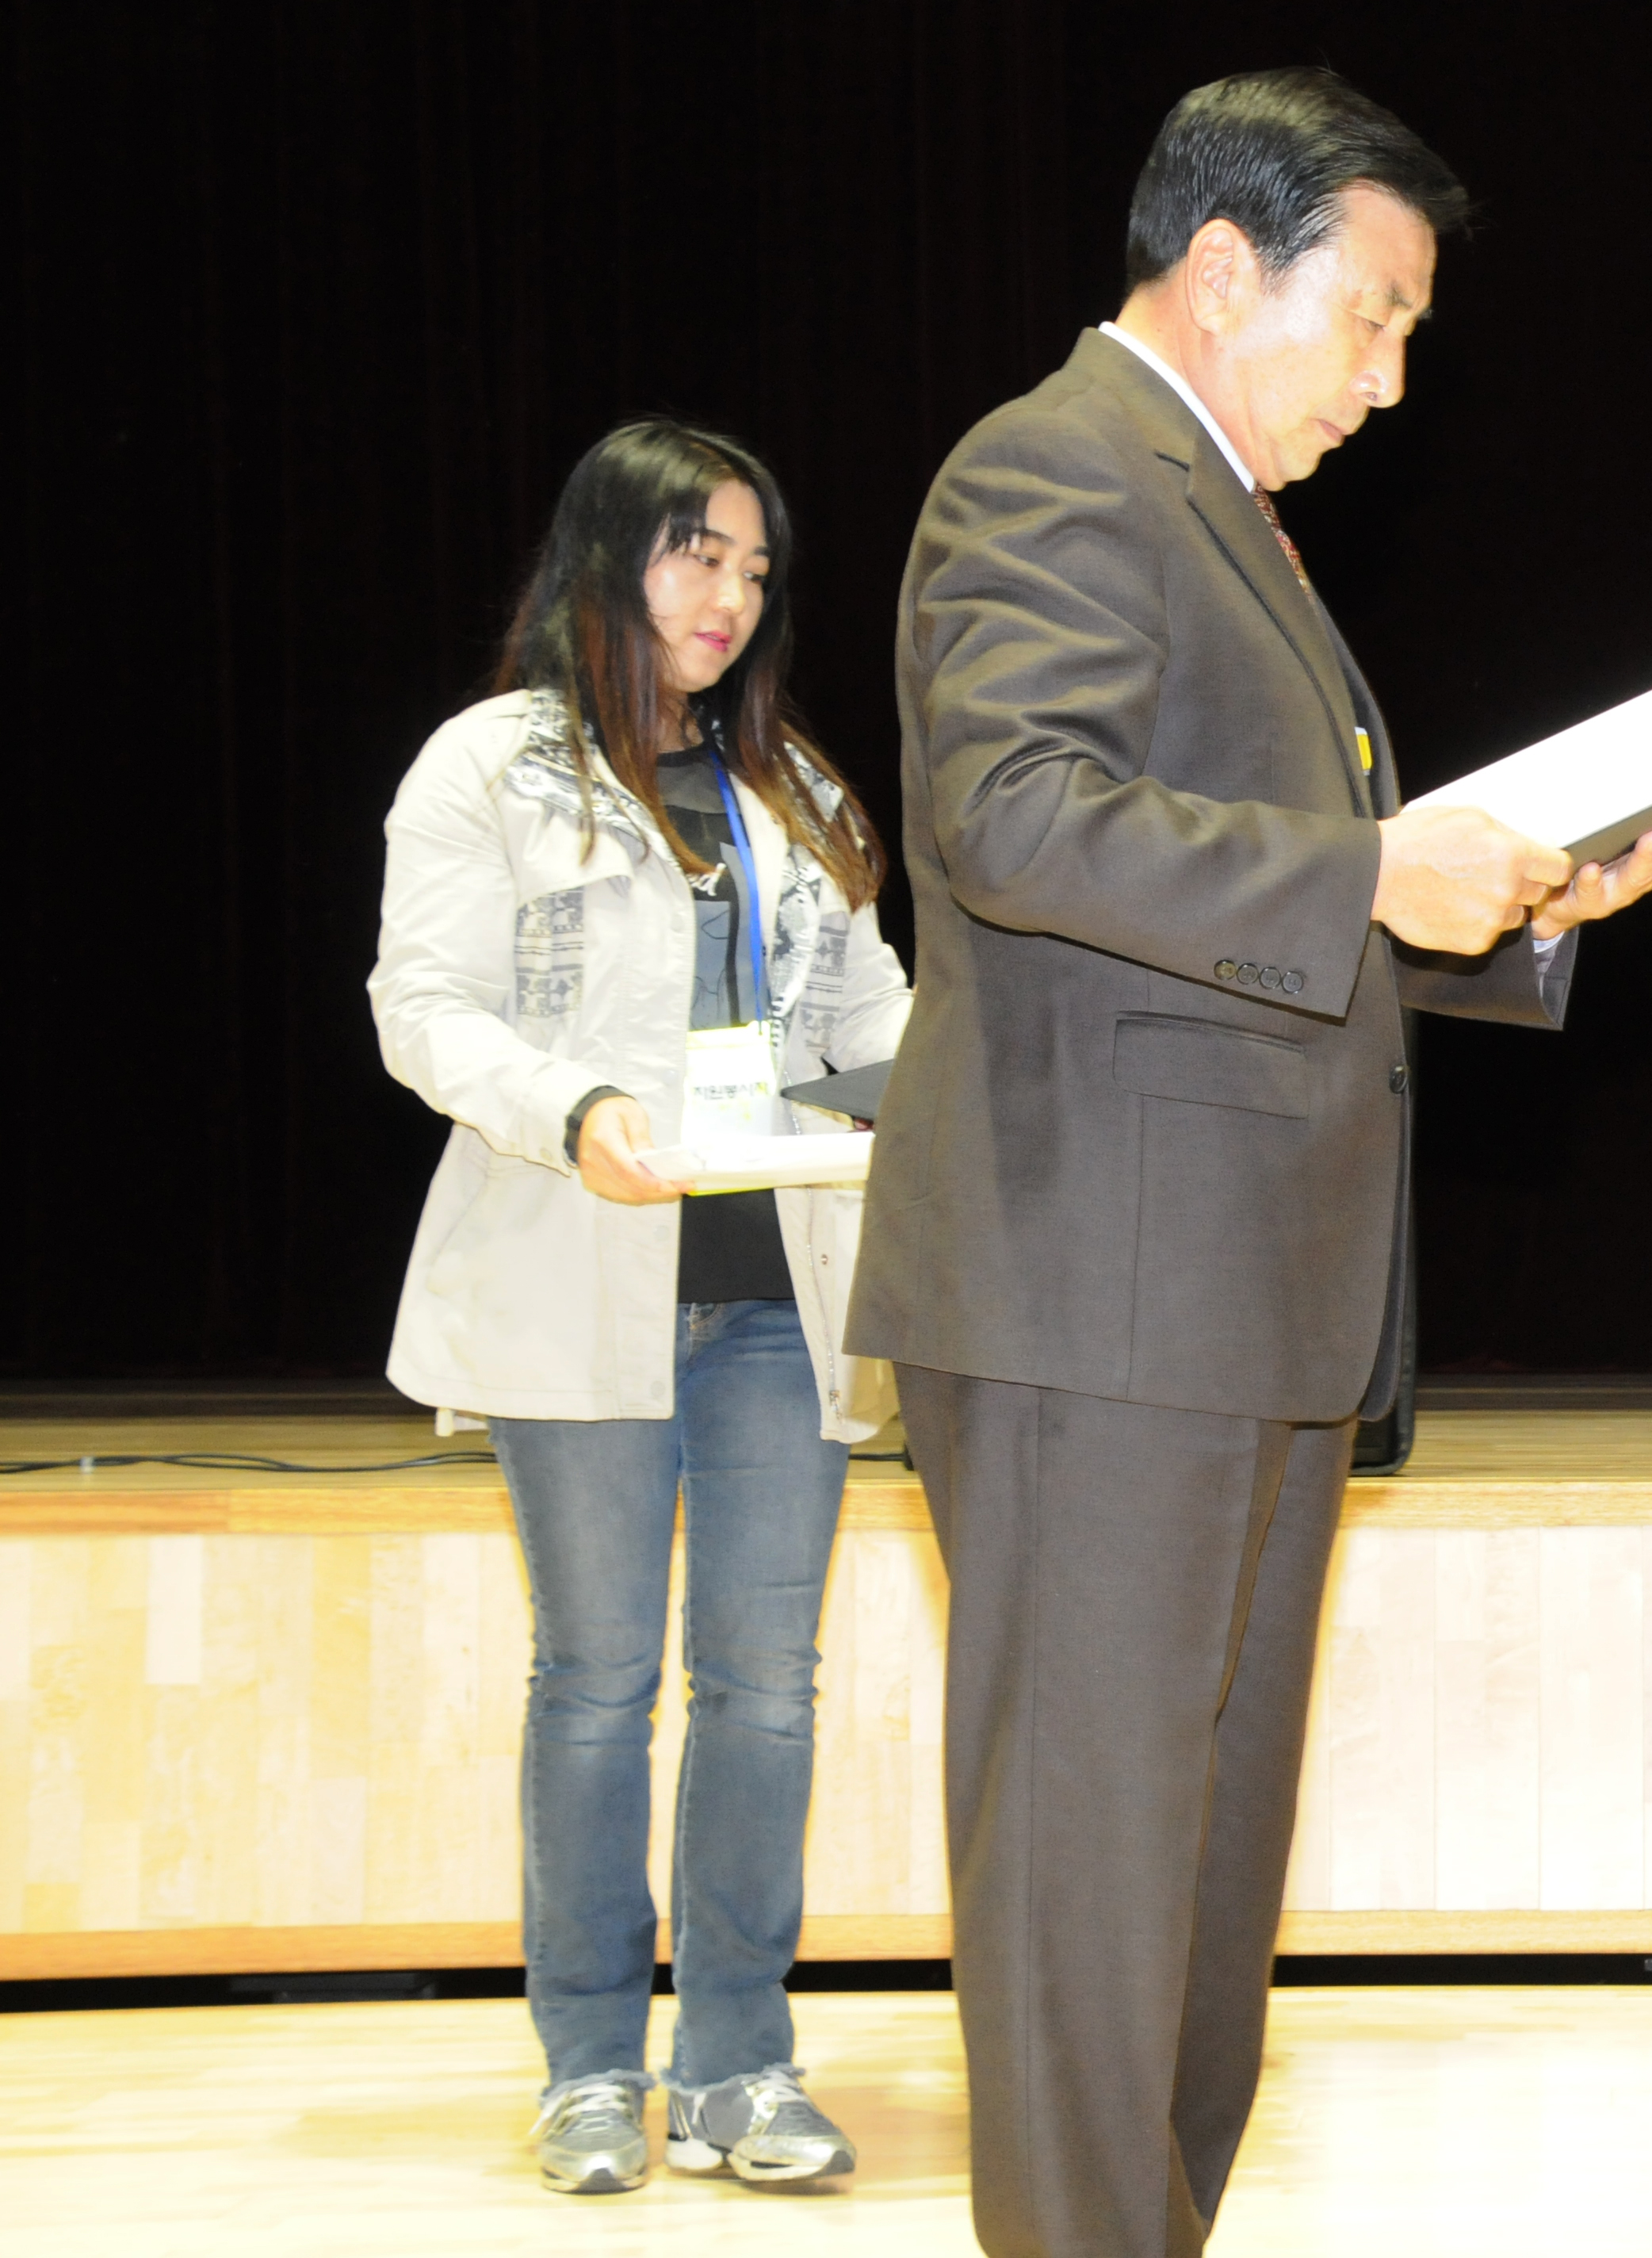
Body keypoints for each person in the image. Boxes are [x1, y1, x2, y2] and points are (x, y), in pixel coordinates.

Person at [845, 69, 1652, 2258]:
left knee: (1197, 1883)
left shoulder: (1216, 510)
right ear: (1228, 267)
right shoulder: (1059, 465)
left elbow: (1239, 909)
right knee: (1090, 1881)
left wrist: (1516, 908)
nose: (1390, 379)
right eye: (1375, 317)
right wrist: (1366, 869)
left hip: (1227, 1300)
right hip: (1096, 1292)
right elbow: (1012, 816)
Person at [371, 419, 909, 2197]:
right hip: (573, 1276)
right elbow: (422, 1006)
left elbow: (870, 1018)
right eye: (696, 552)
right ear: (607, 557)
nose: (729, 594)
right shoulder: (490, 765)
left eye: (754, 566)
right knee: (596, 1681)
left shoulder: (793, 785)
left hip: (776, 1295)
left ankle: (739, 2060)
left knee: (765, 1686)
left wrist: (947, 1084)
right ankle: (592, 2063)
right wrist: (572, 1107)